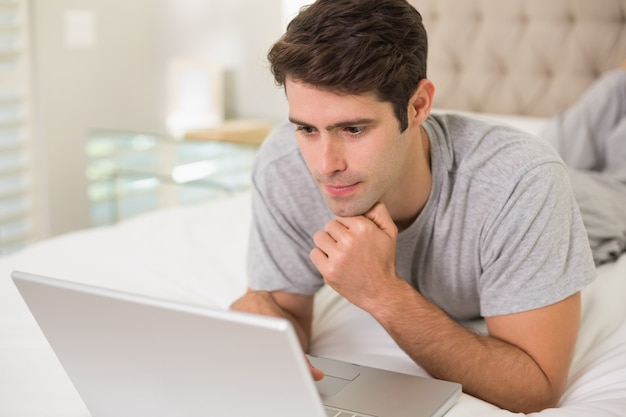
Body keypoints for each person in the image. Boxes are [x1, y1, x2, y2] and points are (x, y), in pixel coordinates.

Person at [230, 0, 611, 413]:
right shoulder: (282, 165)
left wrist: (383, 293)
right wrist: (262, 327)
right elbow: (283, 309)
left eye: (353, 129)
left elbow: (535, 387)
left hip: (599, 201)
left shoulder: (522, 181)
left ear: (417, 106)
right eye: (306, 129)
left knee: (609, 128)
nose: (325, 166)